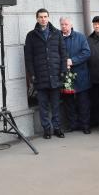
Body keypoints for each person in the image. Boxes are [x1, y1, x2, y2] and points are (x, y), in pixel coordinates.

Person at [24, 9, 66, 139]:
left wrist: (63, 71)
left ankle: (57, 128)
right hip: (40, 77)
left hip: (55, 75)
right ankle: (47, 130)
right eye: (41, 17)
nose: (43, 19)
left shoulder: (57, 33)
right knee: (43, 106)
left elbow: (63, 53)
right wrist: (32, 74)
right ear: (36, 18)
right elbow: (28, 57)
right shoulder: (31, 35)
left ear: (48, 18)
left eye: (45, 16)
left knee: (55, 105)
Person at [60, 17, 92, 134]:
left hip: (81, 75)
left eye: (66, 24)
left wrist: (72, 61)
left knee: (83, 103)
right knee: (69, 103)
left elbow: (86, 53)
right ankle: (72, 125)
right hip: (65, 76)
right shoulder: (57, 38)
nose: (64, 26)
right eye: (62, 24)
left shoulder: (80, 37)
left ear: (71, 24)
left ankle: (85, 126)